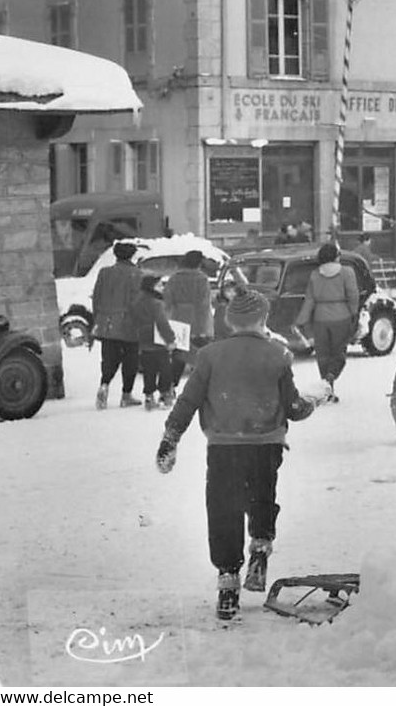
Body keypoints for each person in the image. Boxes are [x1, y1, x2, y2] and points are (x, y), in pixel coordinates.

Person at [156, 287, 315, 620]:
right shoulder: (278, 355)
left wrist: (171, 437)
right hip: (266, 445)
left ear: (229, 321)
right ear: (263, 318)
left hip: (224, 447)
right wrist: (312, 403)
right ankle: (259, 548)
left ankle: (228, 582)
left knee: (223, 509)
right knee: (261, 497)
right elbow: (293, 407)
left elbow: (188, 401)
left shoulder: (210, 356)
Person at [295, 242, 359, 403]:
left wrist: (302, 319)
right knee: (339, 354)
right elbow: (353, 295)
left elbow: (309, 299)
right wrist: (354, 313)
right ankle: (330, 379)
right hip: (341, 316)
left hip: (320, 319)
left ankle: (327, 390)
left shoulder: (315, 274)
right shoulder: (347, 272)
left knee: (323, 356)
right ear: (336, 256)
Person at [92, 242, 144, 408]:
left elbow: (96, 297)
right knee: (130, 360)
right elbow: (137, 301)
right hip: (128, 323)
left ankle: (104, 385)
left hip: (107, 323)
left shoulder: (104, 273)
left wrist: (98, 318)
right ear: (131, 255)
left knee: (109, 359)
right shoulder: (136, 274)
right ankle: (126, 395)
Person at [128, 274, 177, 410]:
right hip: (158, 342)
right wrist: (170, 339)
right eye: (160, 285)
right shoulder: (156, 303)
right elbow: (162, 323)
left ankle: (149, 396)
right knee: (165, 369)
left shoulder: (137, 301)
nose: (163, 287)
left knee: (149, 370)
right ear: (152, 287)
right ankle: (165, 394)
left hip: (143, 341)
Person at [164, 249, 214, 366]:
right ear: (199, 263)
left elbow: (167, 301)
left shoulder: (174, 278)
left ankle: (174, 379)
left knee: (179, 352)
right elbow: (204, 303)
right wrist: (205, 327)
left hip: (178, 316)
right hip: (197, 318)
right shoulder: (202, 279)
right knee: (199, 352)